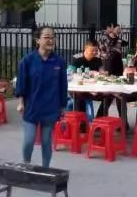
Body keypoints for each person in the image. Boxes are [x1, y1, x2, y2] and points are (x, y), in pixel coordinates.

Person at [15, 26, 67, 168]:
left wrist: (63, 106)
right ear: (38, 40)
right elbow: (21, 83)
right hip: (31, 107)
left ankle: (45, 169)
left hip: (51, 107)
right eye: (46, 37)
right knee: (29, 140)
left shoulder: (59, 62)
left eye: (52, 37)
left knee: (46, 141)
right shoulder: (27, 61)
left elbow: (63, 85)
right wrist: (21, 103)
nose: (50, 40)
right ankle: (26, 164)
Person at [71, 41, 104, 113]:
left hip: (93, 87)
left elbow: (102, 73)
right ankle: (81, 116)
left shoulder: (98, 59)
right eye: (92, 50)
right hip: (80, 87)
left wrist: (101, 74)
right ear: (85, 49)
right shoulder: (76, 58)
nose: (94, 52)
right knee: (81, 96)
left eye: (96, 50)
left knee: (108, 96)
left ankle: (99, 116)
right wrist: (86, 74)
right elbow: (71, 74)